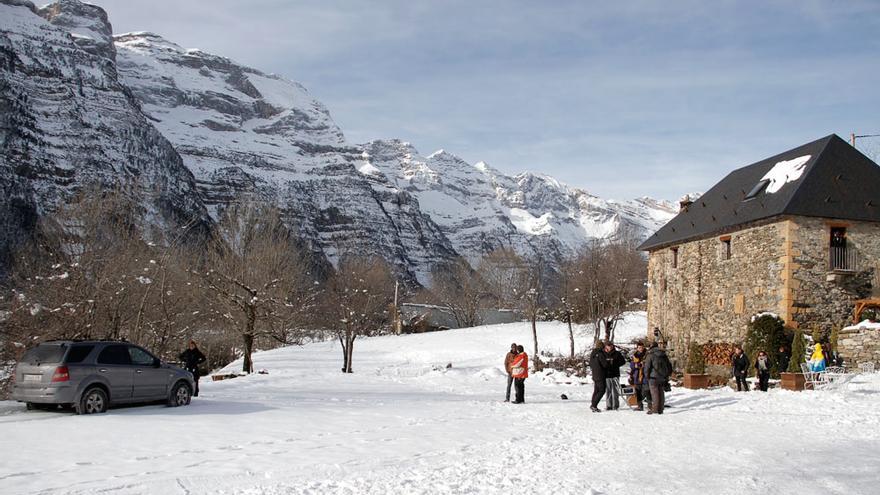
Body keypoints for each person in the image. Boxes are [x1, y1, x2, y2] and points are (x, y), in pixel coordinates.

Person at [644, 341, 672, 414]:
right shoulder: (663, 354)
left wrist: (646, 377)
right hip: (662, 377)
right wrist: (667, 375)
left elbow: (647, 367)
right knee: (661, 393)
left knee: (655, 394)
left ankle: (655, 409)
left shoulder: (650, 355)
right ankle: (661, 409)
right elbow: (669, 366)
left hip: (653, 377)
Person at [601, 341, 627, 411]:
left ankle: (615, 405)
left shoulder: (617, 353)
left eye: (611, 345)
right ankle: (609, 405)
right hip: (607, 375)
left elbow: (623, 361)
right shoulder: (603, 353)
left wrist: (615, 363)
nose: (610, 347)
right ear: (605, 346)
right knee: (608, 390)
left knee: (615, 390)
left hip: (615, 374)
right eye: (608, 345)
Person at [629, 342, 652, 411]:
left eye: (642, 347)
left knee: (647, 390)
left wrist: (644, 365)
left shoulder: (647, 355)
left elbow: (650, 364)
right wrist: (636, 365)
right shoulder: (634, 355)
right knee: (638, 391)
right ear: (637, 348)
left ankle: (650, 405)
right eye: (639, 348)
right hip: (637, 375)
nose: (641, 349)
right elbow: (631, 365)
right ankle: (640, 406)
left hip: (645, 375)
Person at [589, 341, 607, 413]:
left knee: (596, 390)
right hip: (601, 375)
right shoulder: (600, 354)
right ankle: (594, 405)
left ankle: (593, 404)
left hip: (595, 374)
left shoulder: (592, 353)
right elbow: (605, 364)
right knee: (602, 390)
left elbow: (590, 364)